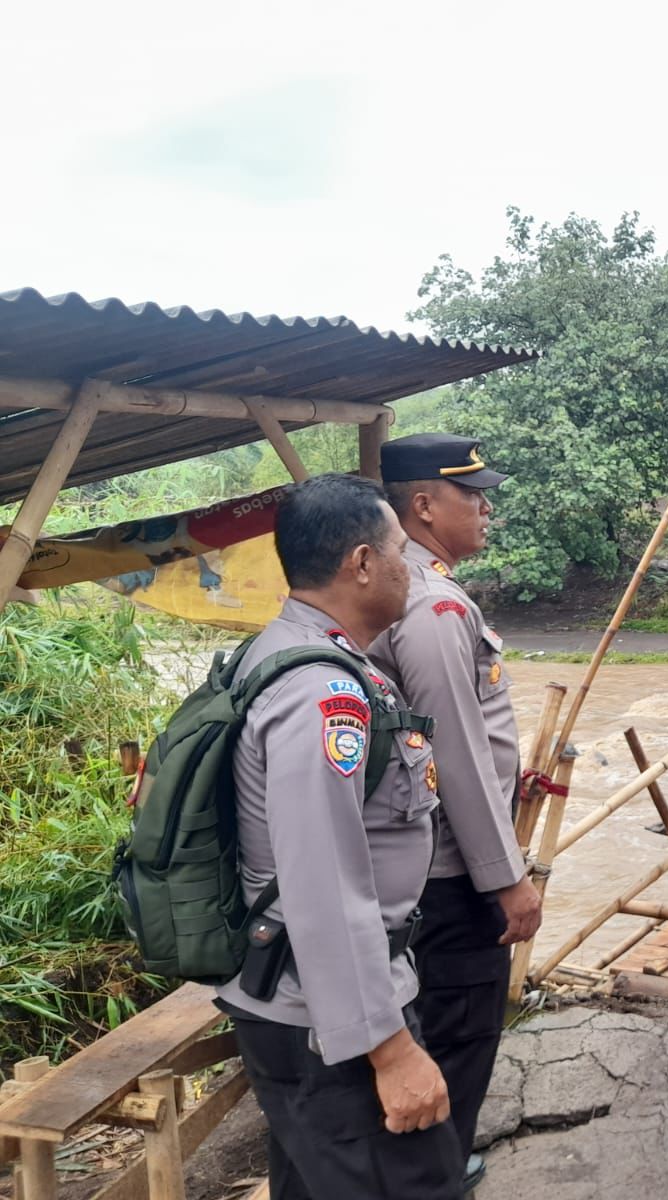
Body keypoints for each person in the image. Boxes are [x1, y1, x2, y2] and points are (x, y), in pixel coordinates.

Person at [216, 472, 462, 1199]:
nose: (408, 567)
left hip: (309, 1000)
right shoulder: (321, 696)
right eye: (397, 550)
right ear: (360, 563)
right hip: (329, 1020)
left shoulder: (288, 652)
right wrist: (390, 1050)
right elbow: (322, 882)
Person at [369, 434, 540, 1194]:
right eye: (474, 495)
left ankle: (428, 1165)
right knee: (460, 1029)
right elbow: (456, 754)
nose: (487, 507)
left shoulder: (410, 588)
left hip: (426, 865)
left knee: (437, 1022)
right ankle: (435, 1174)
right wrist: (505, 877)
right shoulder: (432, 603)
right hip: (449, 874)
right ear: (425, 505)